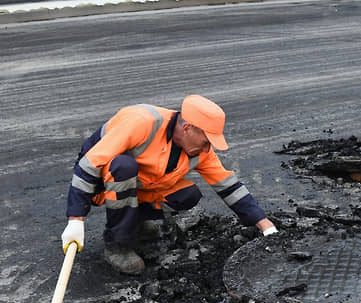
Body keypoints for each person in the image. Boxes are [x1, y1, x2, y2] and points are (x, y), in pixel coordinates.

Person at [60, 95, 277, 274]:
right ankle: (118, 245)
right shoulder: (141, 122)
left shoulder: (200, 151)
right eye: (205, 142)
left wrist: (266, 226)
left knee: (187, 194)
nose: (206, 149)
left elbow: (228, 185)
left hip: (144, 183)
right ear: (188, 128)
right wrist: (76, 219)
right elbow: (89, 165)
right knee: (123, 166)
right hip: (104, 179)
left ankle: (140, 225)